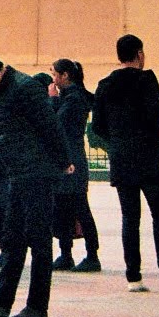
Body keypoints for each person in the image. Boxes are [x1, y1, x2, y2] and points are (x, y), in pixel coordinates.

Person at [0, 52, 73, 317]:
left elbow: (50, 126)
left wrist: (64, 161)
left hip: (37, 173)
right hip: (18, 174)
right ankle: (1, 302)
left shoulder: (25, 88)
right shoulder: (3, 91)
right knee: (13, 239)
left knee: (39, 240)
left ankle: (37, 307)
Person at [92, 34, 159, 293]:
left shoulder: (105, 85)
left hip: (122, 160)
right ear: (139, 54)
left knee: (130, 218)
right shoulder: (146, 80)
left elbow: (98, 125)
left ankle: (134, 277)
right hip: (150, 159)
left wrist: (117, 143)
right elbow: (157, 119)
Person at [48, 58, 99, 273]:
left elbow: (57, 123)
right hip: (65, 157)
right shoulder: (69, 96)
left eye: (55, 75)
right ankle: (65, 253)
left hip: (73, 159)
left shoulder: (75, 98)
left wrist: (52, 100)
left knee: (80, 205)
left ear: (65, 75)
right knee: (63, 207)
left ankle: (92, 255)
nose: (54, 80)